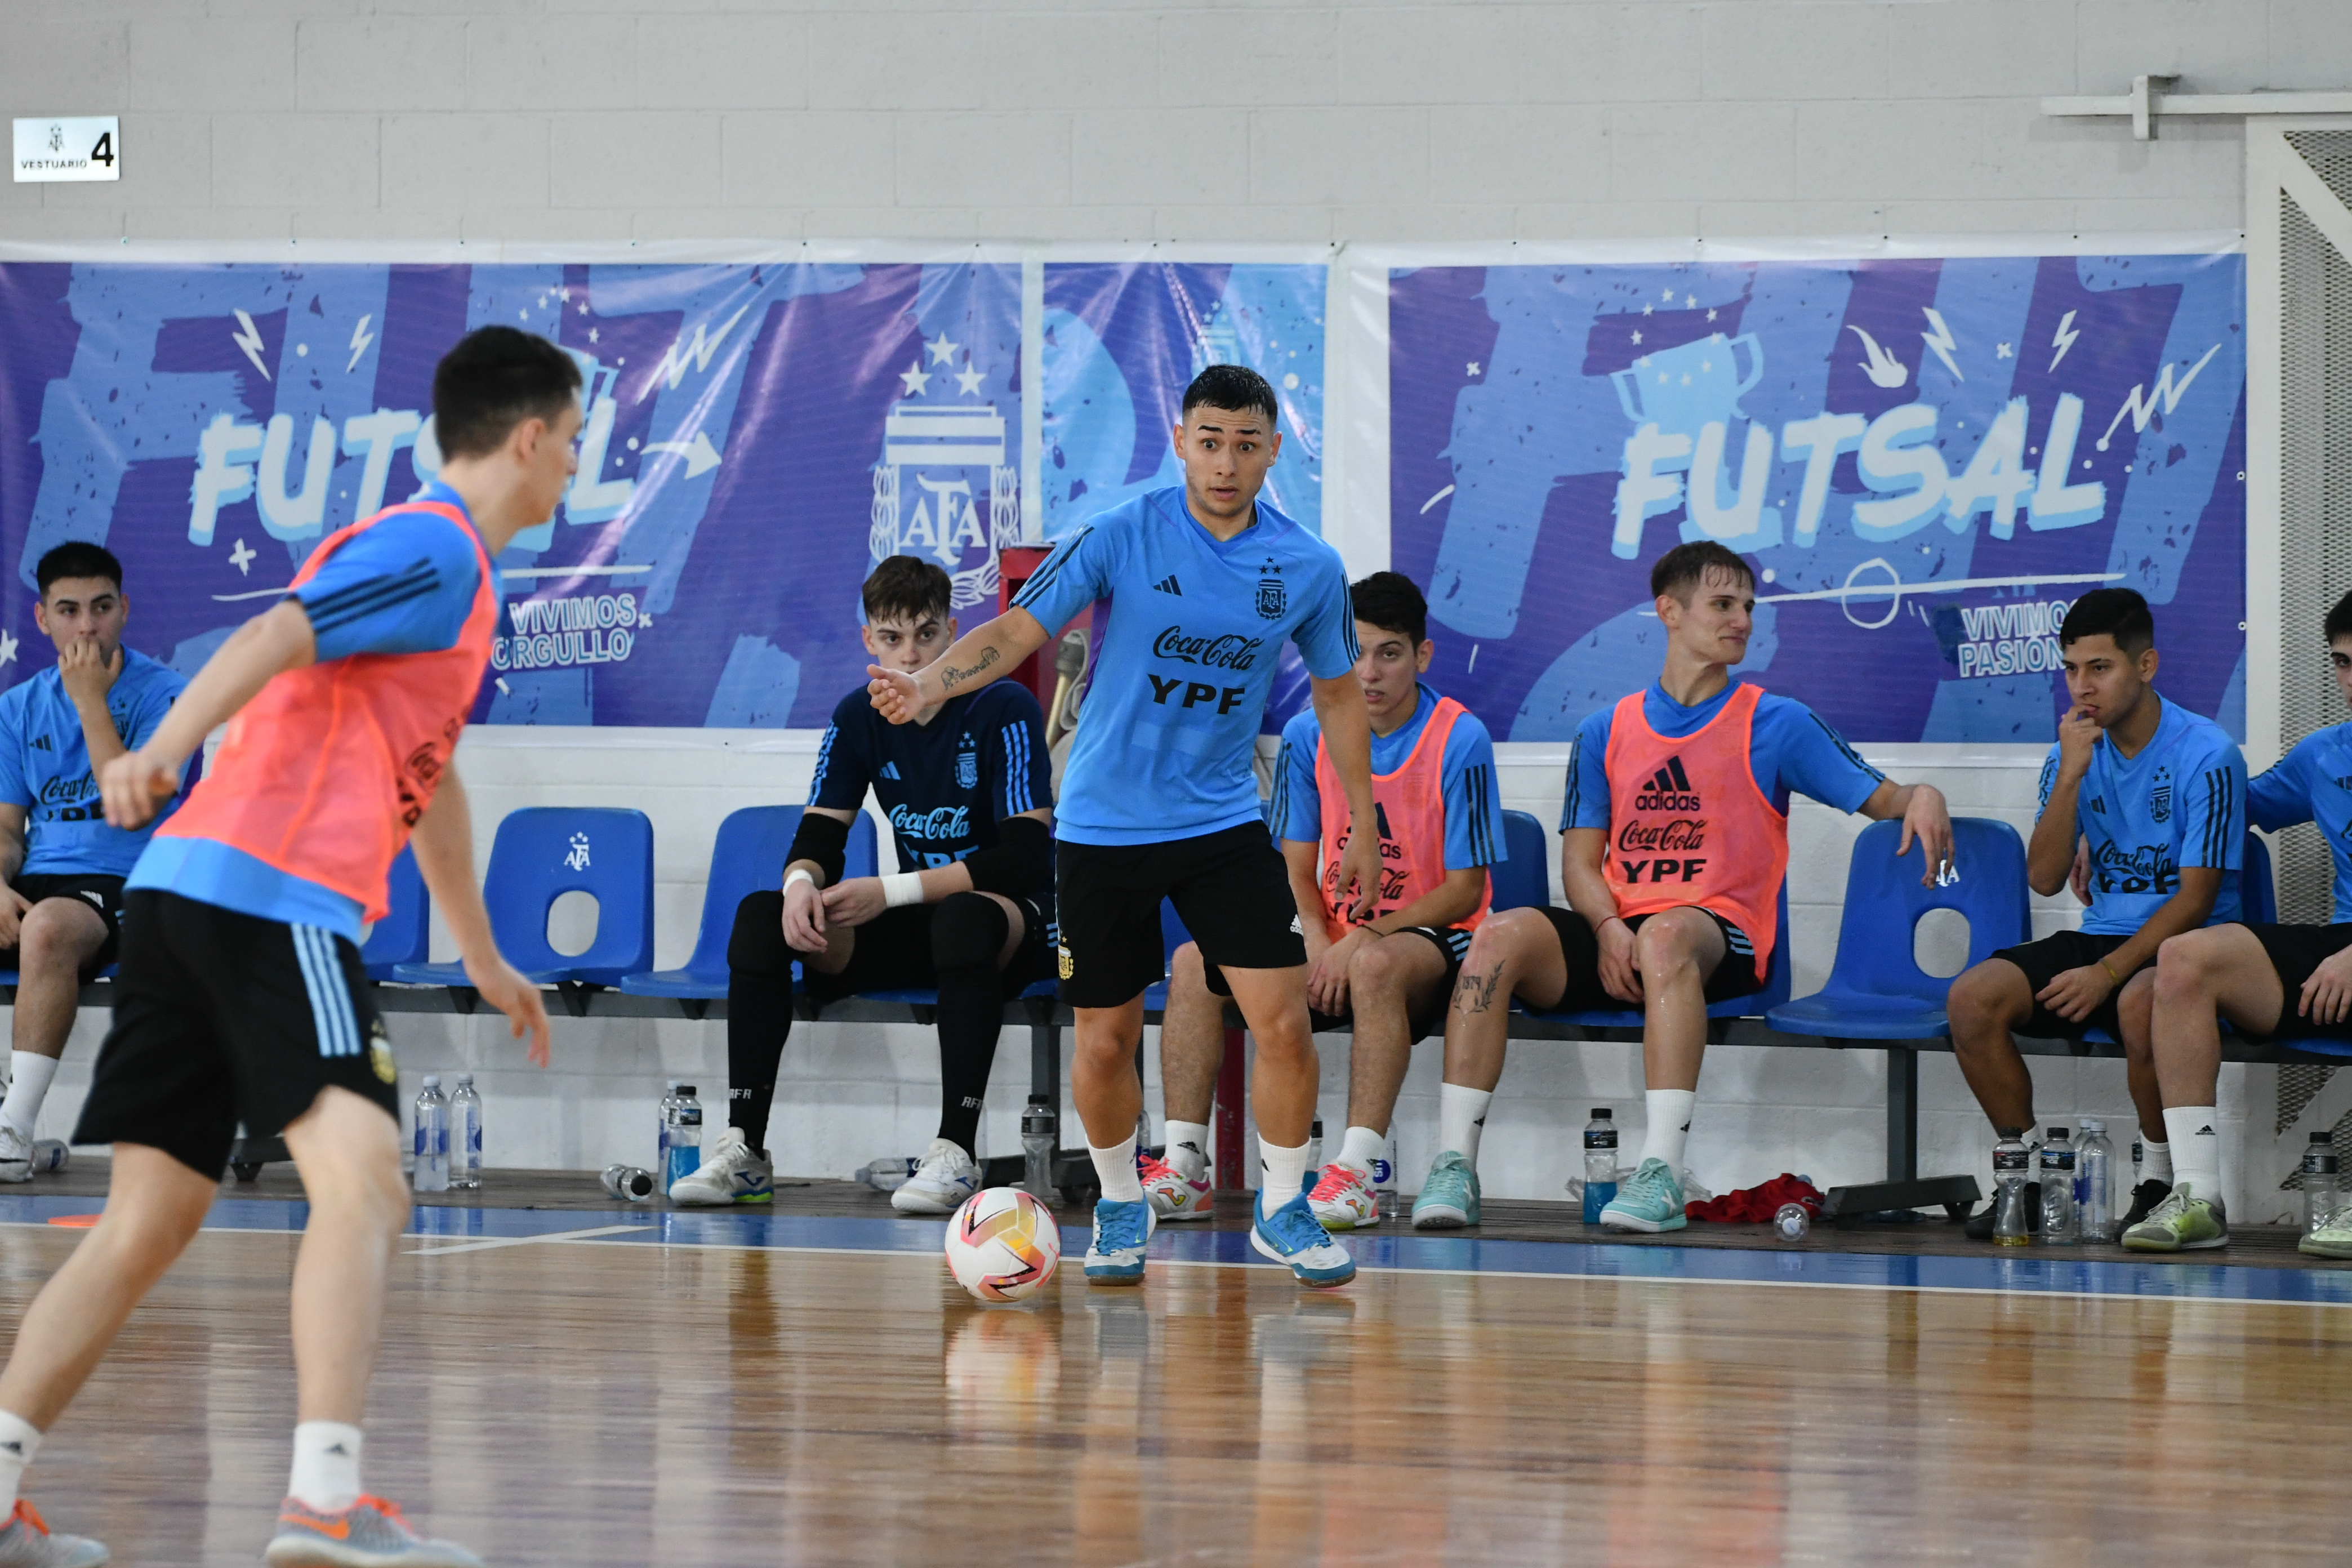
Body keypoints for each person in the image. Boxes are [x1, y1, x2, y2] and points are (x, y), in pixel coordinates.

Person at [0, 326, 562, 1568]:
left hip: (185, 902)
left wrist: (479, 952)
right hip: (270, 900)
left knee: (144, 1222)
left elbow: (433, 781)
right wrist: (150, 751)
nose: (574, 467)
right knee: (365, 1180)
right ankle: (324, 1504)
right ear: (529, 438)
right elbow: (274, 636)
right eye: (571, 442)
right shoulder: (434, 547)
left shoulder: (458, 588)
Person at [869, 363, 1380, 1289]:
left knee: (1284, 1021)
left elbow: (1341, 695)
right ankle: (1116, 1201)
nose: (1226, 462)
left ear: (1273, 451)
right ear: (1182, 440)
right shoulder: (1118, 532)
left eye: (1247, 444)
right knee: (1104, 1035)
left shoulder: (1307, 565)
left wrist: (1365, 820)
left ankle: (1283, 1205)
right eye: (1210, 440)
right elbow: (1019, 630)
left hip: (1223, 821)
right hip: (1101, 826)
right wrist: (930, 679)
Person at [1407, 541, 1953, 1235]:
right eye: (1724, 605)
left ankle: (1660, 1172)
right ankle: (1455, 1166)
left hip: (1714, 940)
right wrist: (1607, 927)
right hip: (1621, 933)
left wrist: (1924, 793)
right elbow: (1581, 863)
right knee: (1496, 936)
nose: (1743, 622)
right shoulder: (1606, 729)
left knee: (1664, 935)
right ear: (1669, 611)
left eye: (1748, 608)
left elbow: (1885, 798)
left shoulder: (1774, 721)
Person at [672, 555, 1056, 1214]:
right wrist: (800, 884)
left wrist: (893, 892)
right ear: (867, 641)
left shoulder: (1005, 705)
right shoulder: (858, 717)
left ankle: (955, 1153)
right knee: (762, 918)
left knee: (963, 919)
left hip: (1011, 925)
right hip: (925, 924)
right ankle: (746, 1150)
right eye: (892, 639)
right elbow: (820, 836)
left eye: (927, 636)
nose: (910, 656)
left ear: (955, 634)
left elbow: (1025, 857)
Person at [1150, 571, 1502, 1230]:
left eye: (1389, 653)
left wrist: (1364, 939)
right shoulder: (1311, 734)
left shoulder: (1461, 738)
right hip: (1330, 940)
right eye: (1354, 651)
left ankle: (1358, 1174)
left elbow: (1466, 890)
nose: (1368, 672)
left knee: (1372, 967)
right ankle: (1184, 1165)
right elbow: (1294, 868)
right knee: (1198, 960)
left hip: (1431, 943)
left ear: (1421, 657)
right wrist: (1315, 936)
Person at [1946, 587, 2246, 1243]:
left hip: (2187, 951)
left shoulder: (2208, 752)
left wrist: (2107, 974)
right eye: (2072, 670)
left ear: (2146, 666)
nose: (2083, 687)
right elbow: (2045, 876)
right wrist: (2073, 776)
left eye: (2100, 669)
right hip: (2104, 937)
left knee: (2143, 1002)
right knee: (1972, 1000)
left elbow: (2196, 900)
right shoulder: (2071, 753)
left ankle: (2161, 1181)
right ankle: (2020, 1180)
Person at [2118, 589, 2352, 1254]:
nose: (2351, 681)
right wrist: (2100, 822)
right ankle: (2196, 1195)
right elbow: (2224, 804)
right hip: (2338, 947)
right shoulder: (2326, 755)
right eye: (2342, 662)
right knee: (2186, 959)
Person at [0, 544, 190, 1181]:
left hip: (129, 882)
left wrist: (89, 701)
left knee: (49, 927)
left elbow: (131, 809)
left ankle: (13, 1132)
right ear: (42, 619)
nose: (87, 627)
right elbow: (6, 829)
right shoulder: (18, 707)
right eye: (70, 610)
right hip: (38, 880)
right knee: (36, 914)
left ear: (125, 610)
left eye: (102, 608)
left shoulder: (168, 695)